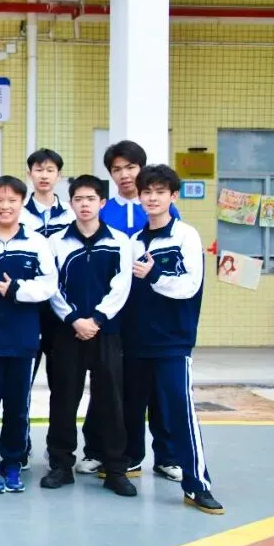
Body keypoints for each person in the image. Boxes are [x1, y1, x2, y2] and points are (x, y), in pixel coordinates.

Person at [122, 165, 223, 514]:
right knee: (130, 407)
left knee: (180, 411)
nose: (152, 198)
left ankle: (197, 484)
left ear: (173, 196)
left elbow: (189, 287)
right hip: (135, 341)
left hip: (172, 343)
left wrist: (154, 275)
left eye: (160, 192)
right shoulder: (135, 242)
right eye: (146, 192)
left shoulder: (186, 236)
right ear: (139, 196)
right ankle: (130, 460)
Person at [41, 174, 136, 498]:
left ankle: (115, 469)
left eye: (91, 199)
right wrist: (73, 319)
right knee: (63, 399)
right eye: (79, 199)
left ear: (102, 203)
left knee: (111, 401)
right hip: (67, 332)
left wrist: (96, 319)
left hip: (105, 332)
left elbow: (121, 286)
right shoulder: (56, 242)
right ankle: (60, 465)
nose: (84, 205)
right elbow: (52, 286)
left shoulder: (120, 241)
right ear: (71, 203)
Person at [0, 175, 57, 494]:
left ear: (22, 203)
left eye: (12, 200)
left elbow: (49, 285)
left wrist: (18, 290)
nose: (5, 206)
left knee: (18, 407)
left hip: (23, 339)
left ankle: (13, 463)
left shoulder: (36, 243)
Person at [96, 140, 181, 482]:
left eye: (130, 167)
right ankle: (120, 453)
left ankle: (167, 455)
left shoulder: (166, 213)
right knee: (119, 387)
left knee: (161, 390)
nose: (124, 174)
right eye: (117, 169)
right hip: (118, 313)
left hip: (158, 310)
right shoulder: (103, 211)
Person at [19, 149, 77, 470]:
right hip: (27, 312)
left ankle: (58, 453)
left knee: (63, 386)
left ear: (59, 175)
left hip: (62, 313)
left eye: (50, 170)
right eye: (38, 170)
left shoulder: (71, 213)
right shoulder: (19, 213)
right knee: (21, 386)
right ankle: (20, 447)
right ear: (29, 174)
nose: (44, 175)